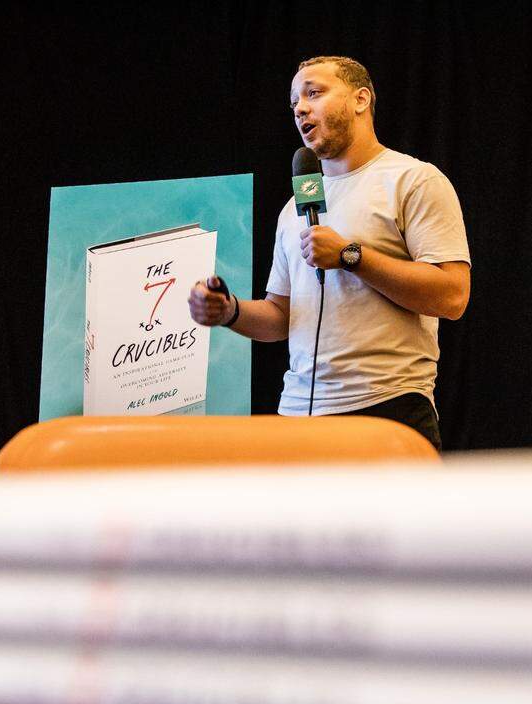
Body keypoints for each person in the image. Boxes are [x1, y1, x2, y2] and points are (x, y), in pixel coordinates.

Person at [189, 56, 471, 450]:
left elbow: (452, 295)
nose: (300, 108)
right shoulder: (294, 208)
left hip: (386, 408)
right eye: (294, 103)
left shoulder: (413, 180)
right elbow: (280, 317)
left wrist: (352, 256)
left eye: (314, 93)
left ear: (361, 99)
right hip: (298, 414)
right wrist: (229, 311)